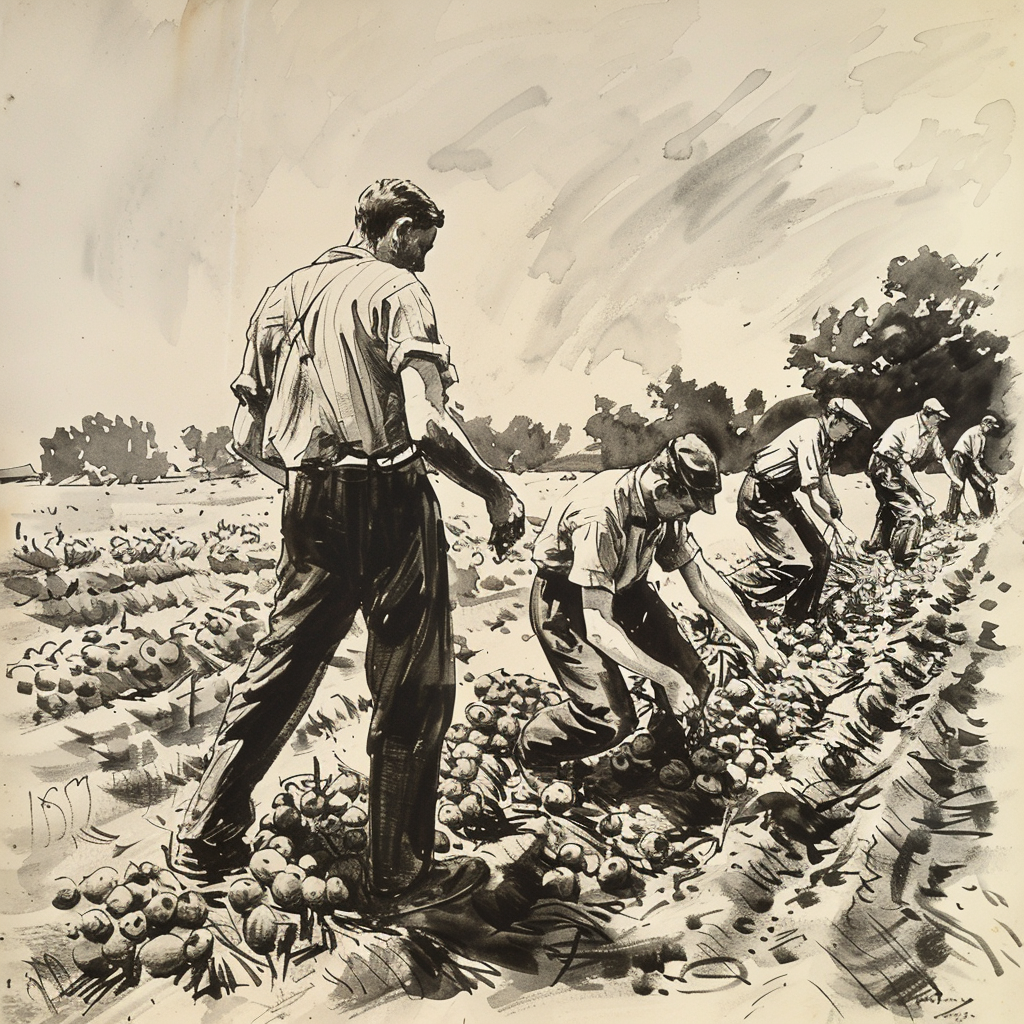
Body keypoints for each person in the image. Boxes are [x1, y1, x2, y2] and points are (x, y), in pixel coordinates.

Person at [171, 180, 525, 912]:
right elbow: (426, 423)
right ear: (397, 230)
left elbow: (246, 440)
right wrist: (494, 490)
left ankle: (204, 837)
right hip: (391, 498)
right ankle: (397, 871)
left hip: (309, 500)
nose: (425, 260)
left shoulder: (281, 296)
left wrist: (311, 486)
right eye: (423, 243)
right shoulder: (395, 291)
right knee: (413, 682)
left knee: (280, 667)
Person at [516, 435, 785, 778]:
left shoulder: (665, 507)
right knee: (611, 720)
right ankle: (535, 749)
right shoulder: (599, 515)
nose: (688, 516)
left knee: (695, 680)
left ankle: (661, 756)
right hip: (565, 602)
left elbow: (701, 580)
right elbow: (598, 624)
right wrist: (665, 678)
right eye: (687, 507)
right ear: (662, 491)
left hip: (627, 589)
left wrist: (757, 643)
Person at [726, 398, 871, 625]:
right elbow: (813, 496)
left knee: (822, 555)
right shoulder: (810, 432)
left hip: (782, 497)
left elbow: (822, 478)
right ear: (834, 418)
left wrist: (834, 503)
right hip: (759, 496)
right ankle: (736, 585)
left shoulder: (826, 440)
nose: (850, 435)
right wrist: (838, 527)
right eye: (849, 428)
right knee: (800, 564)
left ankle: (799, 617)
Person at [862, 397, 959, 567]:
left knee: (892, 506)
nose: (940, 421)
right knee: (911, 512)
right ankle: (902, 556)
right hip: (883, 467)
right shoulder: (909, 427)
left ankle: (876, 545)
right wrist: (922, 493)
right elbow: (901, 465)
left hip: (899, 469)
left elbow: (941, 456)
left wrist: (954, 477)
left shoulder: (931, 430)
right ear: (927, 413)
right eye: (938, 417)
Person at [943, 414, 1001, 522]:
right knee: (957, 487)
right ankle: (951, 516)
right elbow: (975, 460)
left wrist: (987, 473)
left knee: (982, 486)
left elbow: (979, 457)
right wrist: (984, 475)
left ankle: (987, 515)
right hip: (959, 459)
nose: (991, 430)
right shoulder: (976, 434)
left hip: (968, 460)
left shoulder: (982, 436)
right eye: (990, 426)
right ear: (984, 424)